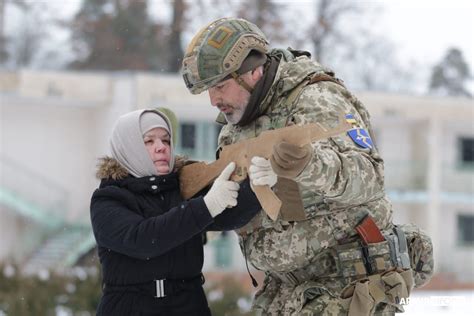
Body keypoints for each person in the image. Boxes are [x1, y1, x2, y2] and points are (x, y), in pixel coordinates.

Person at [181, 18, 433, 315]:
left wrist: (306, 165)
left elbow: (368, 176)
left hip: (347, 285)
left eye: (220, 86)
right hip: (284, 291)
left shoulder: (316, 99)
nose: (213, 100)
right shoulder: (236, 126)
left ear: (252, 71)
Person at [90, 108, 261, 316]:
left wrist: (258, 185)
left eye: (166, 140)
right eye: (149, 141)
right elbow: (143, 240)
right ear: (129, 147)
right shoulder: (108, 199)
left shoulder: (183, 187)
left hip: (188, 305)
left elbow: (229, 215)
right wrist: (206, 206)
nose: (161, 147)